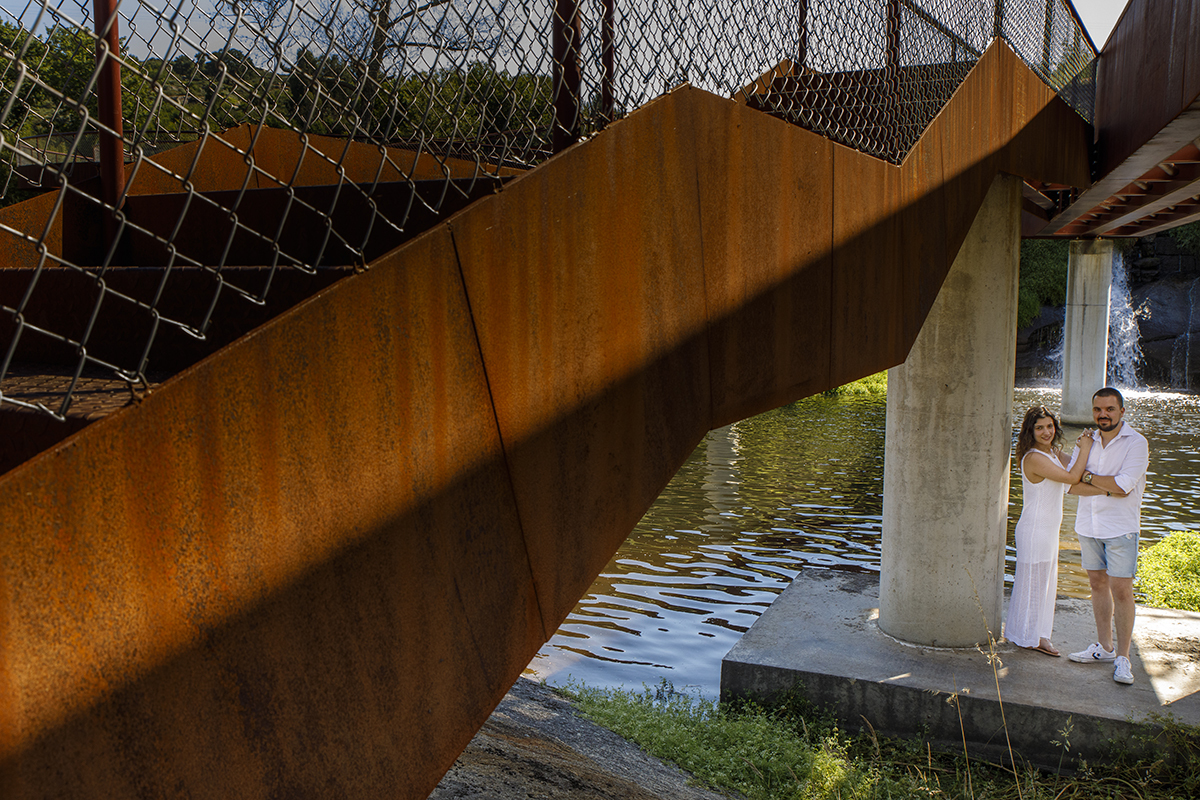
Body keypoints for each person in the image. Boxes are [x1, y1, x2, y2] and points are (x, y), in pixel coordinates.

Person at [1065, 387, 1150, 685]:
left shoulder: (1136, 443)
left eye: (1110, 409)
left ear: (1122, 411)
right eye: (1098, 410)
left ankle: (1124, 659)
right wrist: (1105, 485)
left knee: (1122, 591)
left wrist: (1087, 477)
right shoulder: (1086, 442)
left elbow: (1124, 486)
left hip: (1120, 528)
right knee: (1097, 584)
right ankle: (1104, 648)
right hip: (1088, 525)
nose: (1103, 415)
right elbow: (1069, 485)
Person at [1006, 405, 1092, 656]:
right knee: (1034, 583)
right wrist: (1085, 447)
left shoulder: (1052, 453)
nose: (1046, 432)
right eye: (1039, 428)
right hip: (1035, 529)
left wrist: (1082, 447)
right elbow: (1073, 477)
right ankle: (1029, 637)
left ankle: (1035, 634)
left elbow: (1078, 468)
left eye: (1050, 426)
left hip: (1048, 530)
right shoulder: (1033, 458)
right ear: (1030, 432)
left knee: (1045, 583)